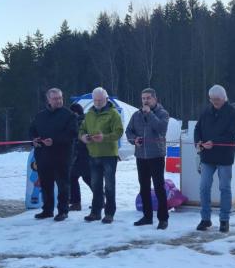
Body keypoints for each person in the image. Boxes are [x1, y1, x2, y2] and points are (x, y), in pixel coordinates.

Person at [193, 85, 235, 233]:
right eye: (212, 100)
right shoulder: (206, 111)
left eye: (217, 100)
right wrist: (198, 142)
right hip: (207, 156)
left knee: (224, 188)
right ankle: (205, 218)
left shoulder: (233, 113)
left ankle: (224, 220)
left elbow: (231, 135)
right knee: (204, 187)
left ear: (224, 98)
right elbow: (197, 129)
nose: (215, 102)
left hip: (224, 157)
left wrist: (213, 142)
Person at [29, 88, 78, 221]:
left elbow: (72, 134)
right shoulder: (40, 115)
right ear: (49, 100)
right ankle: (47, 209)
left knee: (63, 185)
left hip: (62, 156)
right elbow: (32, 130)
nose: (58, 101)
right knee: (45, 184)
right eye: (55, 99)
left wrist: (54, 141)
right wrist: (33, 140)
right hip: (43, 156)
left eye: (60, 98)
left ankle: (63, 210)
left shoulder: (69, 115)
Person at [125, 88, 170, 229]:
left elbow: (161, 129)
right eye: (143, 98)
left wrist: (150, 114)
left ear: (155, 99)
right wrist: (134, 140)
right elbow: (128, 131)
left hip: (156, 155)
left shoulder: (163, 114)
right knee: (143, 187)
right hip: (141, 156)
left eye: (148, 98)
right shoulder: (136, 115)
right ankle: (147, 216)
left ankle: (163, 218)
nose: (145, 101)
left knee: (158, 187)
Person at [79, 87, 124, 223]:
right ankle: (95, 212)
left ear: (106, 99)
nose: (97, 102)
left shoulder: (113, 114)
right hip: (93, 154)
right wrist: (83, 137)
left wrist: (104, 137)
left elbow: (118, 132)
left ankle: (109, 213)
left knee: (109, 186)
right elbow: (81, 129)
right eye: (95, 100)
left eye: (100, 100)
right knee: (96, 185)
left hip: (109, 155)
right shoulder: (89, 114)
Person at [68, 102, 92, 211]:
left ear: (75, 112)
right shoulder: (87, 119)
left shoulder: (78, 121)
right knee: (87, 178)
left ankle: (76, 203)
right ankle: (101, 199)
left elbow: (76, 137)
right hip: (84, 154)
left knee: (73, 177)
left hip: (82, 154)